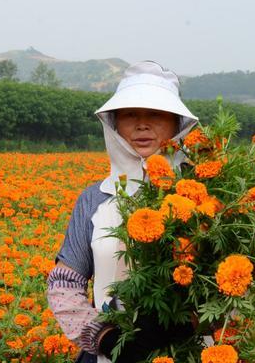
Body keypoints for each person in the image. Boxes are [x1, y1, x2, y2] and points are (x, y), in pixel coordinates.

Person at [46, 61, 200, 363]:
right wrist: (104, 337)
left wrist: (188, 321)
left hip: (189, 352)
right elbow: (64, 284)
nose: (142, 124)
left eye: (155, 114)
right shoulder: (94, 199)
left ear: (176, 124)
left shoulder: (202, 194)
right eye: (130, 115)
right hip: (109, 354)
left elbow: (232, 287)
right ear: (114, 124)